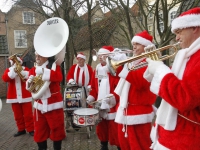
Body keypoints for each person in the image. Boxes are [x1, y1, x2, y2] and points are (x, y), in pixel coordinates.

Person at [143, 7, 200, 149]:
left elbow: (185, 98)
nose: (176, 38)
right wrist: (157, 68)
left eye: (179, 32)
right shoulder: (189, 55)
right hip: (174, 133)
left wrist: (160, 70)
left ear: (194, 28)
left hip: (186, 138)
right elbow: (180, 81)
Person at [114, 30, 157, 150]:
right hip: (126, 109)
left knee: (140, 145)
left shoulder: (150, 61)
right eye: (134, 43)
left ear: (146, 46)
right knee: (125, 145)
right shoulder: (133, 61)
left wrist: (122, 67)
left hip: (139, 112)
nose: (134, 46)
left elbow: (140, 82)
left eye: (138, 44)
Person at [26, 53, 65, 150]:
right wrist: (29, 82)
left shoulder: (54, 66)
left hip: (53, 104)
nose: (37, 58)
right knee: (39, 131)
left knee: (57, 131)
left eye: (39, 56)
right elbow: (30, 87)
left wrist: (44, 71)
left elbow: (59, 77)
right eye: (36, 56)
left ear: (46, 56)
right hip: (39, 105)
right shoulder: (34, 69)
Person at [86, 46, 121, 150]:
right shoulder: (96, 70)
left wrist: (112, 98)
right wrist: (91, 97)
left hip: (112, 105)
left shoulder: (115, 70)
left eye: (102, 54)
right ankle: (103, 146)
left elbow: (119, 88)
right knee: (101, 129)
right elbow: (93, 87)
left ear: (109, 56)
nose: (99, 57)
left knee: (115, 130)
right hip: (100, 104)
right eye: (99, 55)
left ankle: (120, 146)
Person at [2, 56, 34, 137]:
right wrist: (14, 71)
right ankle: (21, 129)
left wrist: (21, 72)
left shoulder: (25, 69)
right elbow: (5, 78)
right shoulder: (9, 70)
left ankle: (31, 129)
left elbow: (30, 76)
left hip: (25, 96)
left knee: (28, 114)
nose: (14, 63)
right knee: (17, 115)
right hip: (13, 97)